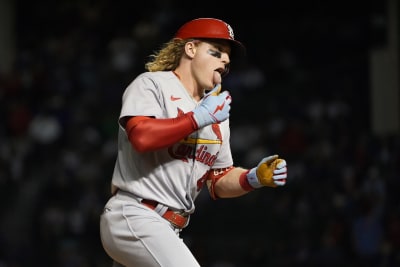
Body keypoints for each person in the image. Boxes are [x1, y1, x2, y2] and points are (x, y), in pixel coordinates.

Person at [100, 17, 288, 267]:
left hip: (168, 228)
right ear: (190, 49)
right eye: (217, 51)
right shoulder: (152, 85)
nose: (226, 60)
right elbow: (142, 137)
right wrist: (197, 118)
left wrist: (252, 178)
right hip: (135, 215)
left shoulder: (216, 114)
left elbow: (217, 179)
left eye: (227, 57)